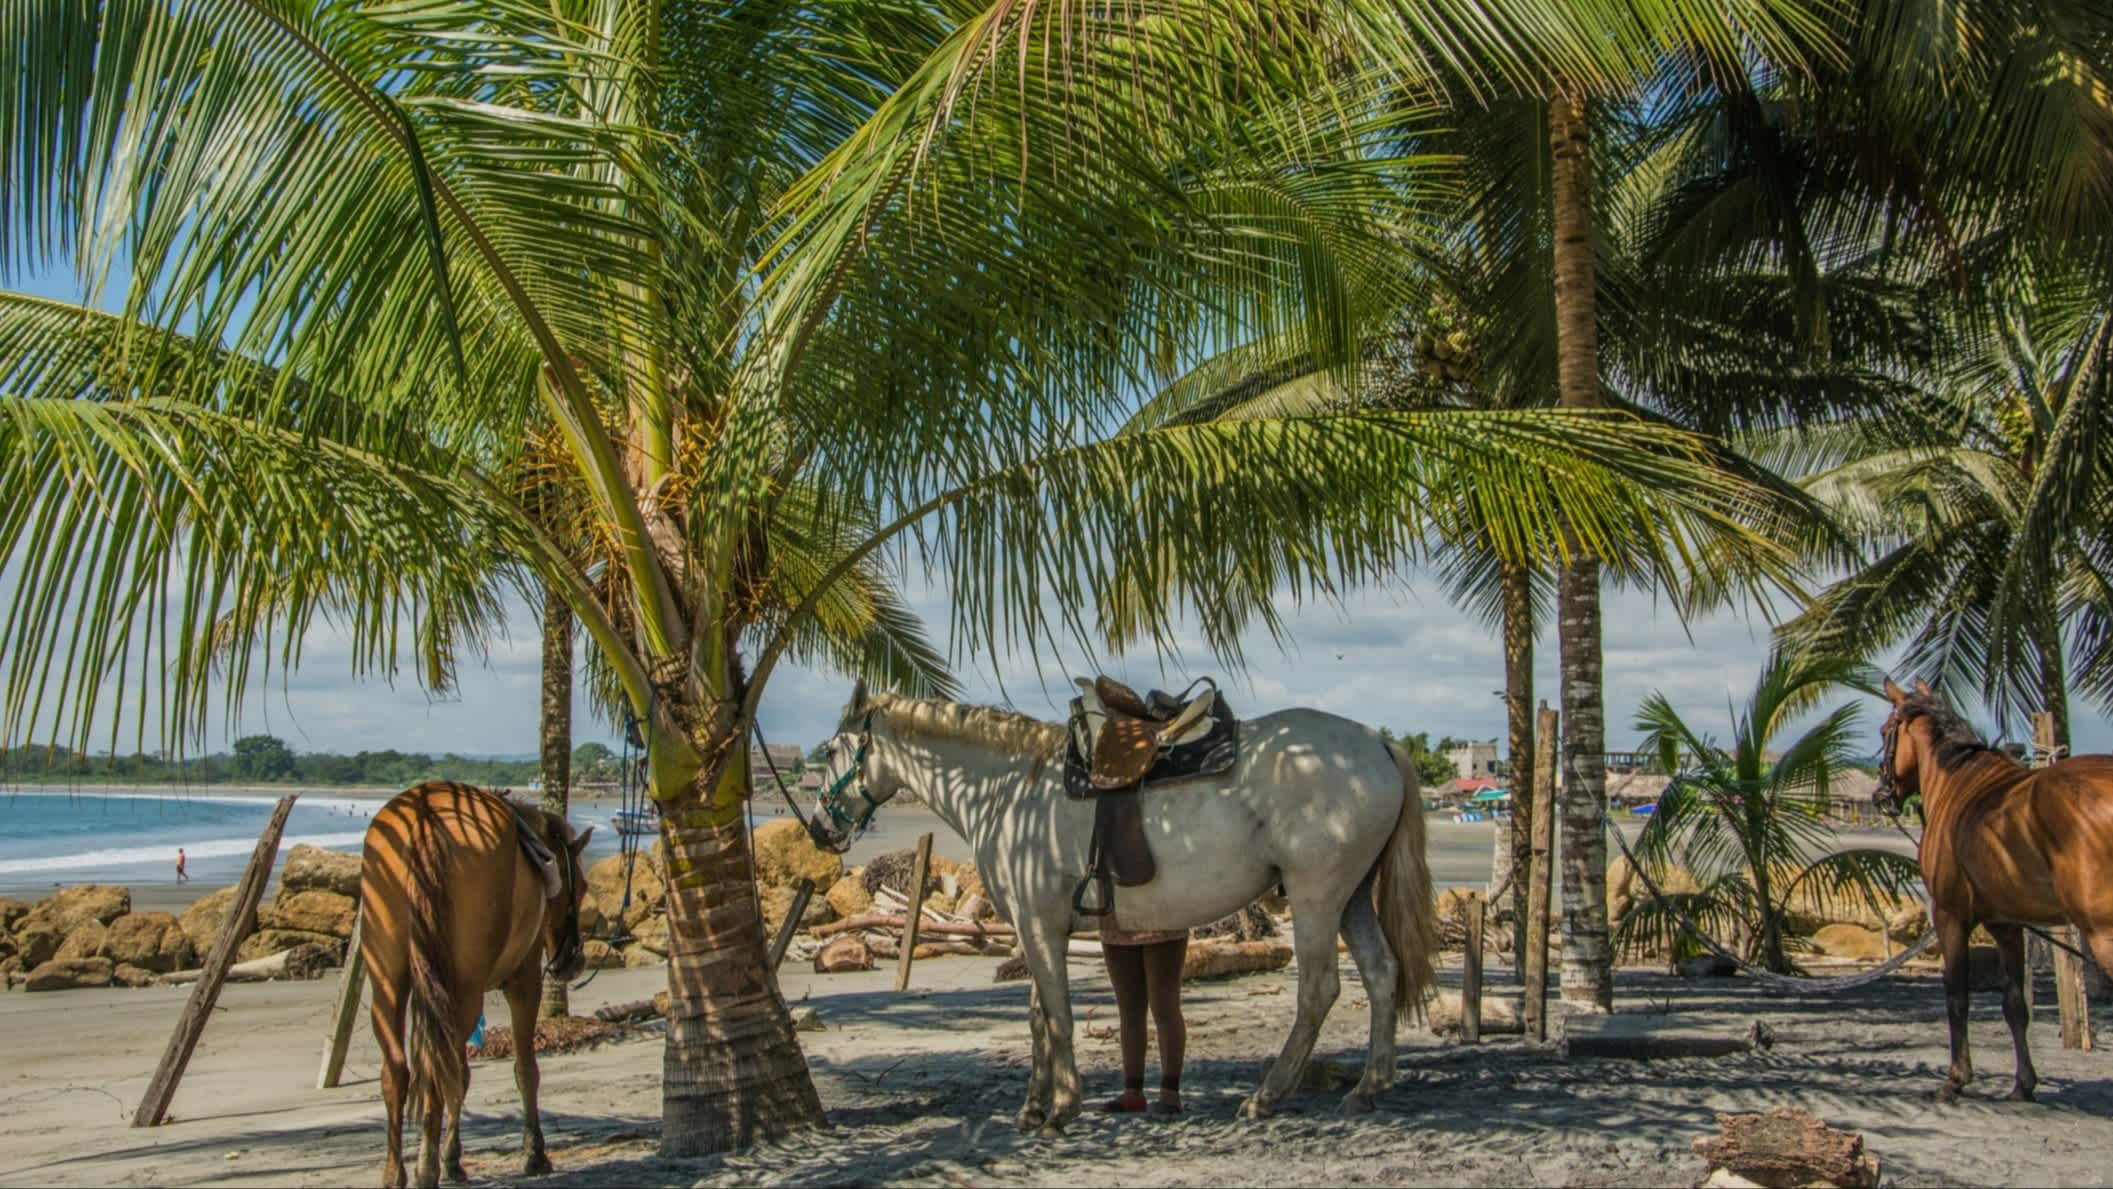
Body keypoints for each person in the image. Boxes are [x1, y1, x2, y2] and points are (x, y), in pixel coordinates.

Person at [1099, 916, 1187, 1115]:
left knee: (1164, 1006)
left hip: (1162, 917)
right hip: (1116, 920)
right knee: (1129, 1009)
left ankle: (1170, 1093)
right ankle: (1132, 1091)